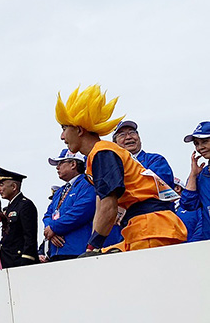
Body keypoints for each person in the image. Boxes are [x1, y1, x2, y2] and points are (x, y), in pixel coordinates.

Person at [56, 84, 187, 252]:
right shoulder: (97, 156)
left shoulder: (103, 152)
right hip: (141, 227)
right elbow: (102, 205)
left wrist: (93, 246)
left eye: (64, 128)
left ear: (79, 130)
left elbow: (109, 206)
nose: (62, 136)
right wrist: (93, 246)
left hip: (152, 229)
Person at [42, 150, 97, 260]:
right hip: (56, 252)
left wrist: (53, 228)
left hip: (77, 250)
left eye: (61, 163)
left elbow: (81, 212)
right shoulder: (60, 191)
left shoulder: (87, 184)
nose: (57, 167)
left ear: (73, 164)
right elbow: (47, 215)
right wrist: (50, 231)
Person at [0, 167, 39, 268]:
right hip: (7, 260)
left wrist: (27, 259)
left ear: (14, 186)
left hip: (20, 261)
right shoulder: (8, 208)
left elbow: (30, 236)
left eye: (1, 185)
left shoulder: (25, 205)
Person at [112, 120, 175, 188]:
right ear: (115, 144)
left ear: (139, 138)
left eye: (132, 133)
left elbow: (160, 185)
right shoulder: (112, 166)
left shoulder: (155, 160)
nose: (128, 137)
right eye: (122, 135)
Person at [179, 121, 210, 241]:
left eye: (205, 142)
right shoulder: (202, 175)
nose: (200, 148)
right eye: (196, 144)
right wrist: (193, 174)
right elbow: (188, 204)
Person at [173, 178, 203, 242]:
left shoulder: (197, 207)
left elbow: (202, 229)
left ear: (177, 188)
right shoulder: (163, 210)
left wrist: (191, 247)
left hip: (193, 249)